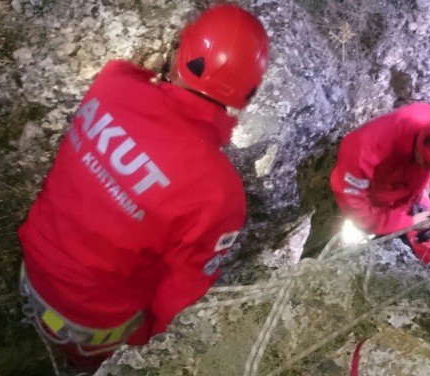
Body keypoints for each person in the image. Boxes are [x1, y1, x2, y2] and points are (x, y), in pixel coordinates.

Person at [17, 4, 269, 371]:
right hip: (91, 324)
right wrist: (149, 344)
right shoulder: (218, 194)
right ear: (247, 95)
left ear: (179, 52)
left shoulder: (114, 81)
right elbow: (179, 301)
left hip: (32, 273)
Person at [330, 102, 430, 264]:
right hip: (372, 199)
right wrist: (408, 222)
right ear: (424, 157)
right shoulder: (364, 150)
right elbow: (357, 210)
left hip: (410, 189)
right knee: (359, 234)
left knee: (429, 232)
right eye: (428, 166)